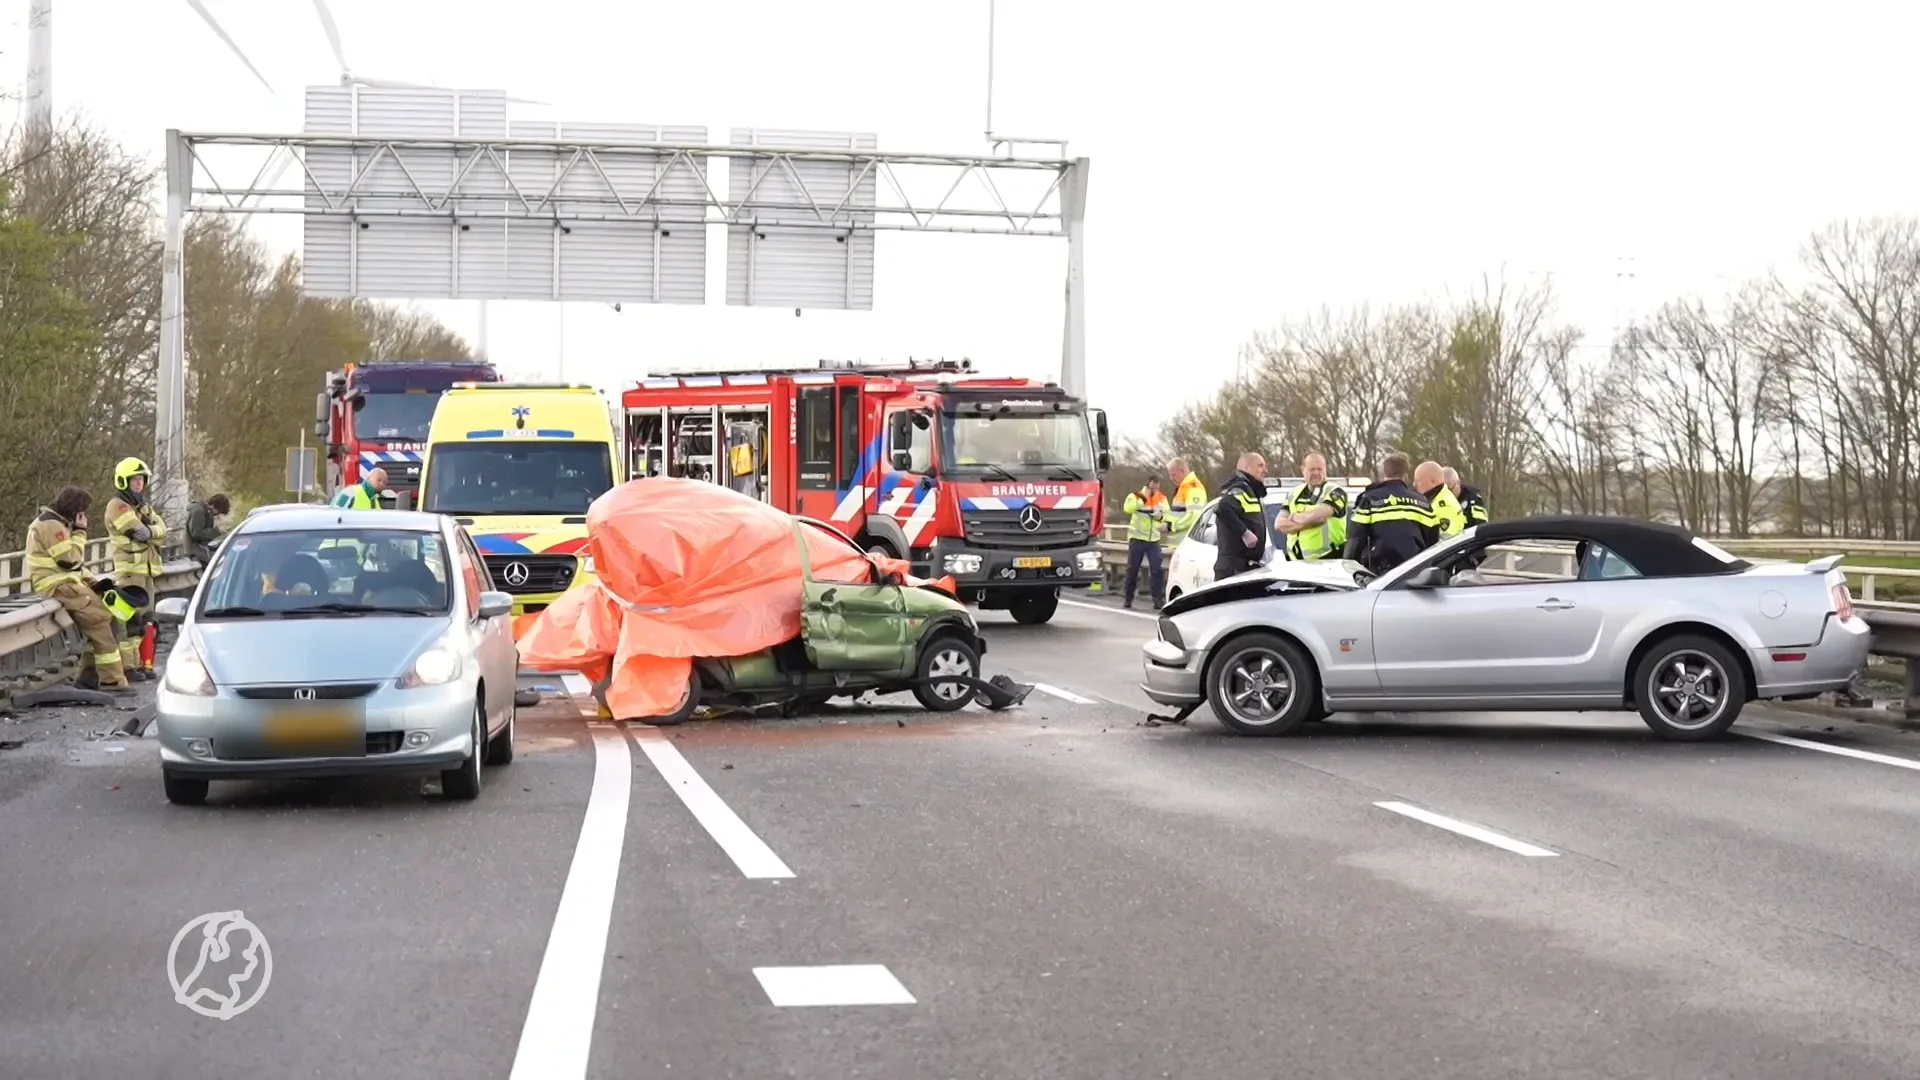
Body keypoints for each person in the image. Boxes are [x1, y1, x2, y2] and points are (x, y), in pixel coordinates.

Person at [25, 486, 131, 693]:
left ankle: (89, 678)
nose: (84, 515)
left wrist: (92, 581)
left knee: (105, 616)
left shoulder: (55, 522)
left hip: (66, 582)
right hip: (58, 585)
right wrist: (81, 532)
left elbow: (73, 565)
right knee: (99, 620)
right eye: (82, 510)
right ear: (74, 508)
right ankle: (111, 680)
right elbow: (70, 560)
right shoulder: (52, 526)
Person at [104, 457, 167, 680]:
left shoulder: (142, 505)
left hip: (147, 570)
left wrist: (152, 533)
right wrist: (152, 532)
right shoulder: (118, 505)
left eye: (141, 479)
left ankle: (142, 664)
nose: (139, 484)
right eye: (135, 480)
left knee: (146, 620)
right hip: (130, 571)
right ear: (124, 481)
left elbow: (162, 529)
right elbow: (137, 531)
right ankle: (129, 668)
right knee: (131, 621)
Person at [1344, 452, 1439, 574]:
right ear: (1405, 475)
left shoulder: (1370, 500)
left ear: (1384, 473)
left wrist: (1347, 570)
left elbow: (1355, 541)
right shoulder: (1423, 502)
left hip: (1379, 576)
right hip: (1416, 575)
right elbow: (1434, 543)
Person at [1273, 452, 1351, 560]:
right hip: (1296, 564)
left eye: (1320, 469)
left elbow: (1319, 517)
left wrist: (1294, 517)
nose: (1316, 473)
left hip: (1328, 562)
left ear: (1325, 469)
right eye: (1312, 469)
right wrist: (1309, 524)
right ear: (1303, 470)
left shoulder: (1335, 492)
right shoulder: (1294, 493)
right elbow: (1279, 524)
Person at [1212, 452, 1269, 581]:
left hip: (1243, 568)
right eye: (1260, 466)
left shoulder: (1250, 490)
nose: (1265, 470)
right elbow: (1223, 507)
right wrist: (1245, 533)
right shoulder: (1240, 489)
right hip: (1234, 570)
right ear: (1247, 467)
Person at [1121, 476, 1171, 609]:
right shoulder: (1135, 496)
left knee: (1157, 570)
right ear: (1149, 483)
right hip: (1137, 538)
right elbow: (1128, 508)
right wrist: (1144, 498)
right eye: (1154, 484)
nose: (1156, 486)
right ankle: (1128, 598)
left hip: (1153, 539)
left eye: (1158, 484)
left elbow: (1167, 514)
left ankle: (1158, 600)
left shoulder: (1162, 498)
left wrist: (1160, 516)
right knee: (1133, 569)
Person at [1414, 460, 1467, 539]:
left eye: (1418, 481)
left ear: (1433, 482)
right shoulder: (1435, 499)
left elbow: (1445, 541)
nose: (1414, 484)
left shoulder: (1445, 506)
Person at [1164, 458, 1208, 546]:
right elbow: (1178, 514)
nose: (1171, 478)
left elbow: (1193, 517)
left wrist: (1170, 526)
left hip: (1186, 545)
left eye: (1173, 475)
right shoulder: (1182, 488)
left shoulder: (1193, 487)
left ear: (1182, 471)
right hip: (1178, 545)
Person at [186, 492, 231, 564]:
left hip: (200, 550)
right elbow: (197, 534)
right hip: (195, 552)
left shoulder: (206, 512)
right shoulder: (198, 511)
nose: (217, 514)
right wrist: (216, 531)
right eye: (218, 512)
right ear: (213, 505)